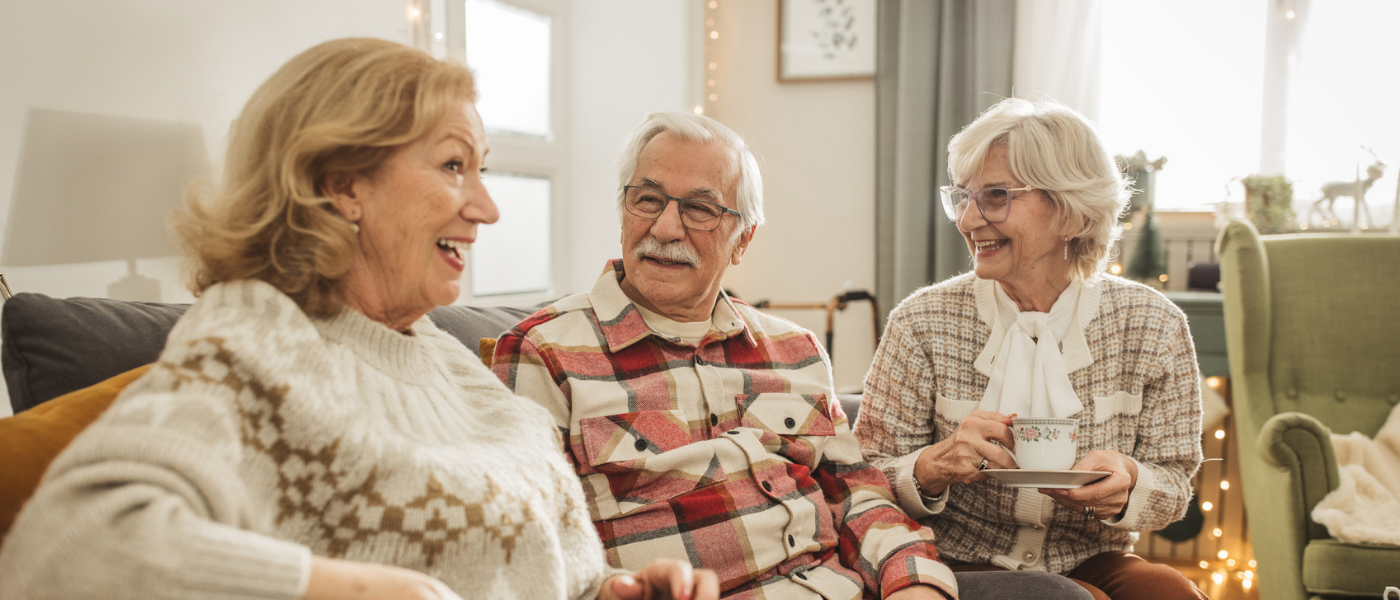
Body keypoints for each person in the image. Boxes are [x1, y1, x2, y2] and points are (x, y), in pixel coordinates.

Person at [0, 38, 716, 600]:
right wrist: (358, 588)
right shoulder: (258, 339)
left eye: (482, 171)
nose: (485, 208)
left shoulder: (446, 361)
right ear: (343, 185)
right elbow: (68, 550)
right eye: (452, 166)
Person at [491, 111, 1093, 600]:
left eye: (699, 209)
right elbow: (529, 550)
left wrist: (913, 583)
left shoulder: (793, 351)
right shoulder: (546, 353)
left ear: (743, 239)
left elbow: (856, 494)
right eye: (647, 199)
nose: (667, 227)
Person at [853, 98, 1208, 600]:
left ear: (1070, 209)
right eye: (963, 197)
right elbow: (861, 480)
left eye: (995, 196)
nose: (969, 220)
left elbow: (1174, 483)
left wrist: (1130, 483)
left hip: (1092, 557)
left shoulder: (1153, 325)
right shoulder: (921, 321)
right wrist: (932, 466)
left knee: (1169, 592)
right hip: (948, 559)